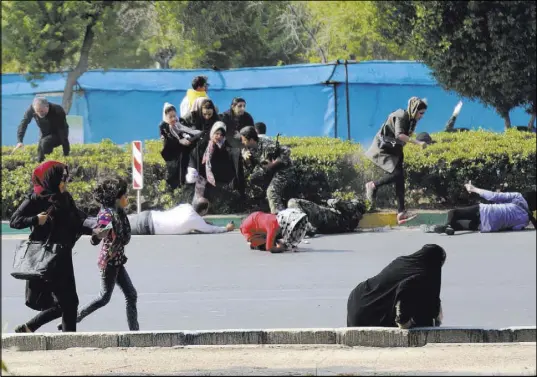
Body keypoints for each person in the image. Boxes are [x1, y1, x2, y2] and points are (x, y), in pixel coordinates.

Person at [10, 161, 94, 333]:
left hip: (62, 256)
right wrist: (35, 220)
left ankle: (35, 330)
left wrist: (96, 231)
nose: (65, 182)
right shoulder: (35, 199)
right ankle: (47, 333)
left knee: (68, 303)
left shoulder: (65, 198)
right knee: (64, 303)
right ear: (52, 179)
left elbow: (77, 222)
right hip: (44, 258)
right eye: (63, 178)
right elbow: (15, 221)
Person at [62, 177, 139, 331]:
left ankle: (135, 332)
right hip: (109, 263)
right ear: (117, 198)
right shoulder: (107, 214)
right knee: (104, 298)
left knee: (131, 295)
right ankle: (74, 318)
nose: (127, 198)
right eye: (125, 195)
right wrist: (99, 234)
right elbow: (96, 237)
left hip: (117, 261)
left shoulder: (119, 212)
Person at [347, 244, 446, 328]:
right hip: (369, 313)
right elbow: (404, 287)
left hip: (357, 298)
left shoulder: (402, 261)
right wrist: (404, 320)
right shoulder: (422, 275)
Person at [364, 96, 429, 225]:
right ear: (414, 109)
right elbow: (399, 135)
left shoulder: (411, 119)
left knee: (400, 178)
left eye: (423, 113)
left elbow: (402, 138)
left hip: (395, 148)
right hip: (383, 148)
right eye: (421, 113)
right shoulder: (401, 116)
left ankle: (401, 212)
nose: (422, 116)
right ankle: (372, 185)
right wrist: (418, 143)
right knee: (397, 175)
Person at [421, 182, 536, 235]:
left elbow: (493, 196)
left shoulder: (518, 197)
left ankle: (445, 226)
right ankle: (444, 227)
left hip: (485, 211)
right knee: (460, 226)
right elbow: (514, 228)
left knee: (454, 212)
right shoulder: (526, 221)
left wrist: (473, 189)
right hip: (488, 227)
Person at [240, 126, 294, 214]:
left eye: (244, 140)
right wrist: (247, 159)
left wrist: (273, 164)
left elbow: (286, 151)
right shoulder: (248, 147)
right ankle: (265, 208)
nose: (242, 142)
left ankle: (279, 217)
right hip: (268, 170)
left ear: (251, 140)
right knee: (253, 179)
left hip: (283, 169)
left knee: (271, 191)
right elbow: (251, 168)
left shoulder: (267, 144)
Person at [193, 122, 245, 203]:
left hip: (219, 182)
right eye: (216, 133)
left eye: (221, 135)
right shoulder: (203, 145)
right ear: (212, 133)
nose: (219, 136)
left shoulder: (226, 147)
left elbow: (234, 155)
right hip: (203, 180)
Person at [128, 198, 235, 235]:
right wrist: (226, 228)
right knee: (117, 229)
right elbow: (211, 230)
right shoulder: (195, 220)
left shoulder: (186, 206)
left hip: (149, 214)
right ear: (203, 211)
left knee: (116, 220)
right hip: (146, 227)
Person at [159, 103, 201, 190]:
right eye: (170, 117)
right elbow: (168, 141)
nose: (173, 118)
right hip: (171, 155)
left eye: (174, 116)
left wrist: (200, 133)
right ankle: (178, 185)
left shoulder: (178, 124)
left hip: (182, 151)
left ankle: (184, 181)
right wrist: (180, 141)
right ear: (165, 117)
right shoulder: (164, 126)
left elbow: (189, 130)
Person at [15, 97, 70, 162]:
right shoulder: (31, 109)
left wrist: (66, 153)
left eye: (42, 111)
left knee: (45, 142)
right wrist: (20, 141)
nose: (39, 113)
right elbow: (24, 123)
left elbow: (62, 131)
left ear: (47, 106)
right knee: (40, 149)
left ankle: (48, 163)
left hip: (58, 133)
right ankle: (40, 164)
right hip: (45, 132)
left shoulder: (57, 110)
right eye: (37, 111)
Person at [182, 98, 221, 181]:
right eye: (204, 114)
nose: (207, 117)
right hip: (195, 149)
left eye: (209, 114)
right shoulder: (194, 118)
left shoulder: (217, 121)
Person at [240, 208, 309, 253]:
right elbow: (269, 248)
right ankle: (255, 245)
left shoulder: (278, 221)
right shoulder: (273, 227)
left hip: (256, 218)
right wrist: (281, 249)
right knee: (265, 244)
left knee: (274, 237)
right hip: (248, 229)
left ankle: (263, 239)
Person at [287, 198, 367, 235]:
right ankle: (303, 227)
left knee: (293, 201)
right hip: (320, 227)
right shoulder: (353, 224)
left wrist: (335, 201)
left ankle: (302, 224)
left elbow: (333, 202)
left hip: (321, 215)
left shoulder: (350, 209)